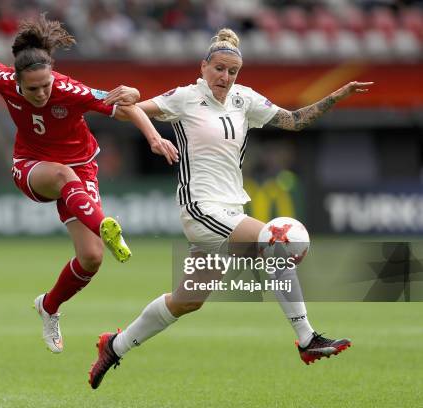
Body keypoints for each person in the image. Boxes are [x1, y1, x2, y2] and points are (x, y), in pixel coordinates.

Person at [89, 28, 373, 388]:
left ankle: (114, 346)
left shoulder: (245, 99)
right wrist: (142, 120)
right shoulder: (185, 97)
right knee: (277, 240)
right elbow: (124, 111)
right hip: (200, 210)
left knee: (187, 300)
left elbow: (296, 121)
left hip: (231, 211)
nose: (225, 77)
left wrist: (335, 96)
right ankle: (307, 339)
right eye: (219, 69)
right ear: (203, 66)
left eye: (232, 71)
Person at [0, 14, 179, 354]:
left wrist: (153, 137)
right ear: (17, 82)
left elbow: (125, 106)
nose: (43, 93)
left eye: (46, 85)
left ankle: (48, 306)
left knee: (91, 259)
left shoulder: (67, 89)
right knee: (63, 175)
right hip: (32, 168)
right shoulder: (2, 79)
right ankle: (103, 224)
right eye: (33, 88)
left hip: (82, 169)